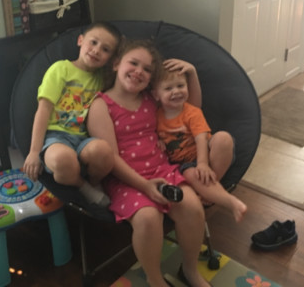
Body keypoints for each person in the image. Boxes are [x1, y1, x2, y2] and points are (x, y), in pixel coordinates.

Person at [87, 39, 212, 287]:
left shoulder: (150, 98)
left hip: (162, 170)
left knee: (192, 207)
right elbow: (111, 158)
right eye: (133, 63)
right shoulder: (101, 105)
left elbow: (192, 109)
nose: (139, 72)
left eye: (146, 69)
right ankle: (155, 280)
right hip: (125, 179)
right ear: (116, 64)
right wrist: (144, 186)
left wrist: (192, 73)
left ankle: (189, 270)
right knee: (147, 218)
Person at [23, 21, 121, 206]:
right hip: (55, 137)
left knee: (104, 152)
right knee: (63, 160)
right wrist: (34, 152)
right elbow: (43, 110)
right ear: (80, 40)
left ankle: (94, 183)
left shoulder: (103, 79)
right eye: (93, 42)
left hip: (84, 138)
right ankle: (83, 186)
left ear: (111, 58)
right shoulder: (61, 69)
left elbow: (127, 74)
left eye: (105, 49)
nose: (96, 50)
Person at [152, 67, 247, 222]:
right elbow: (149, 133)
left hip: (209, 155)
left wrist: (203, 163)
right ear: (156, 95)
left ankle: (209, 191)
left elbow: (201, 138)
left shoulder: (192, 112)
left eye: (180, 86)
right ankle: (229, 201)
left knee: (223, 138)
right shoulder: (156, 116)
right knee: (190, 174)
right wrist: (157, 140)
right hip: (186, 165)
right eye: (168, 88)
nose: (176, 91)